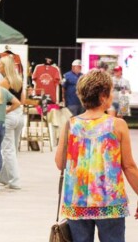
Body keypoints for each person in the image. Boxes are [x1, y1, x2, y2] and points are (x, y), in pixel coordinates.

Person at [55, 69, 138, 242]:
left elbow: (60, 163)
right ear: (103, 96)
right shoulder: (117, 125)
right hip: (109, 203)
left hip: (76, 202)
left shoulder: (70, 125)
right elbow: (129, 166)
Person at [0, 55, 24, 189]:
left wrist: (5, 111)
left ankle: (14, 180)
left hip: (9, 115)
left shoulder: (4, 82)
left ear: (5, 67)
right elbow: (22, 100)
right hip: (19, 115)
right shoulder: (19, 80)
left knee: (7, 150)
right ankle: (4, 177)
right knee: (13, 148)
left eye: (0, 64)